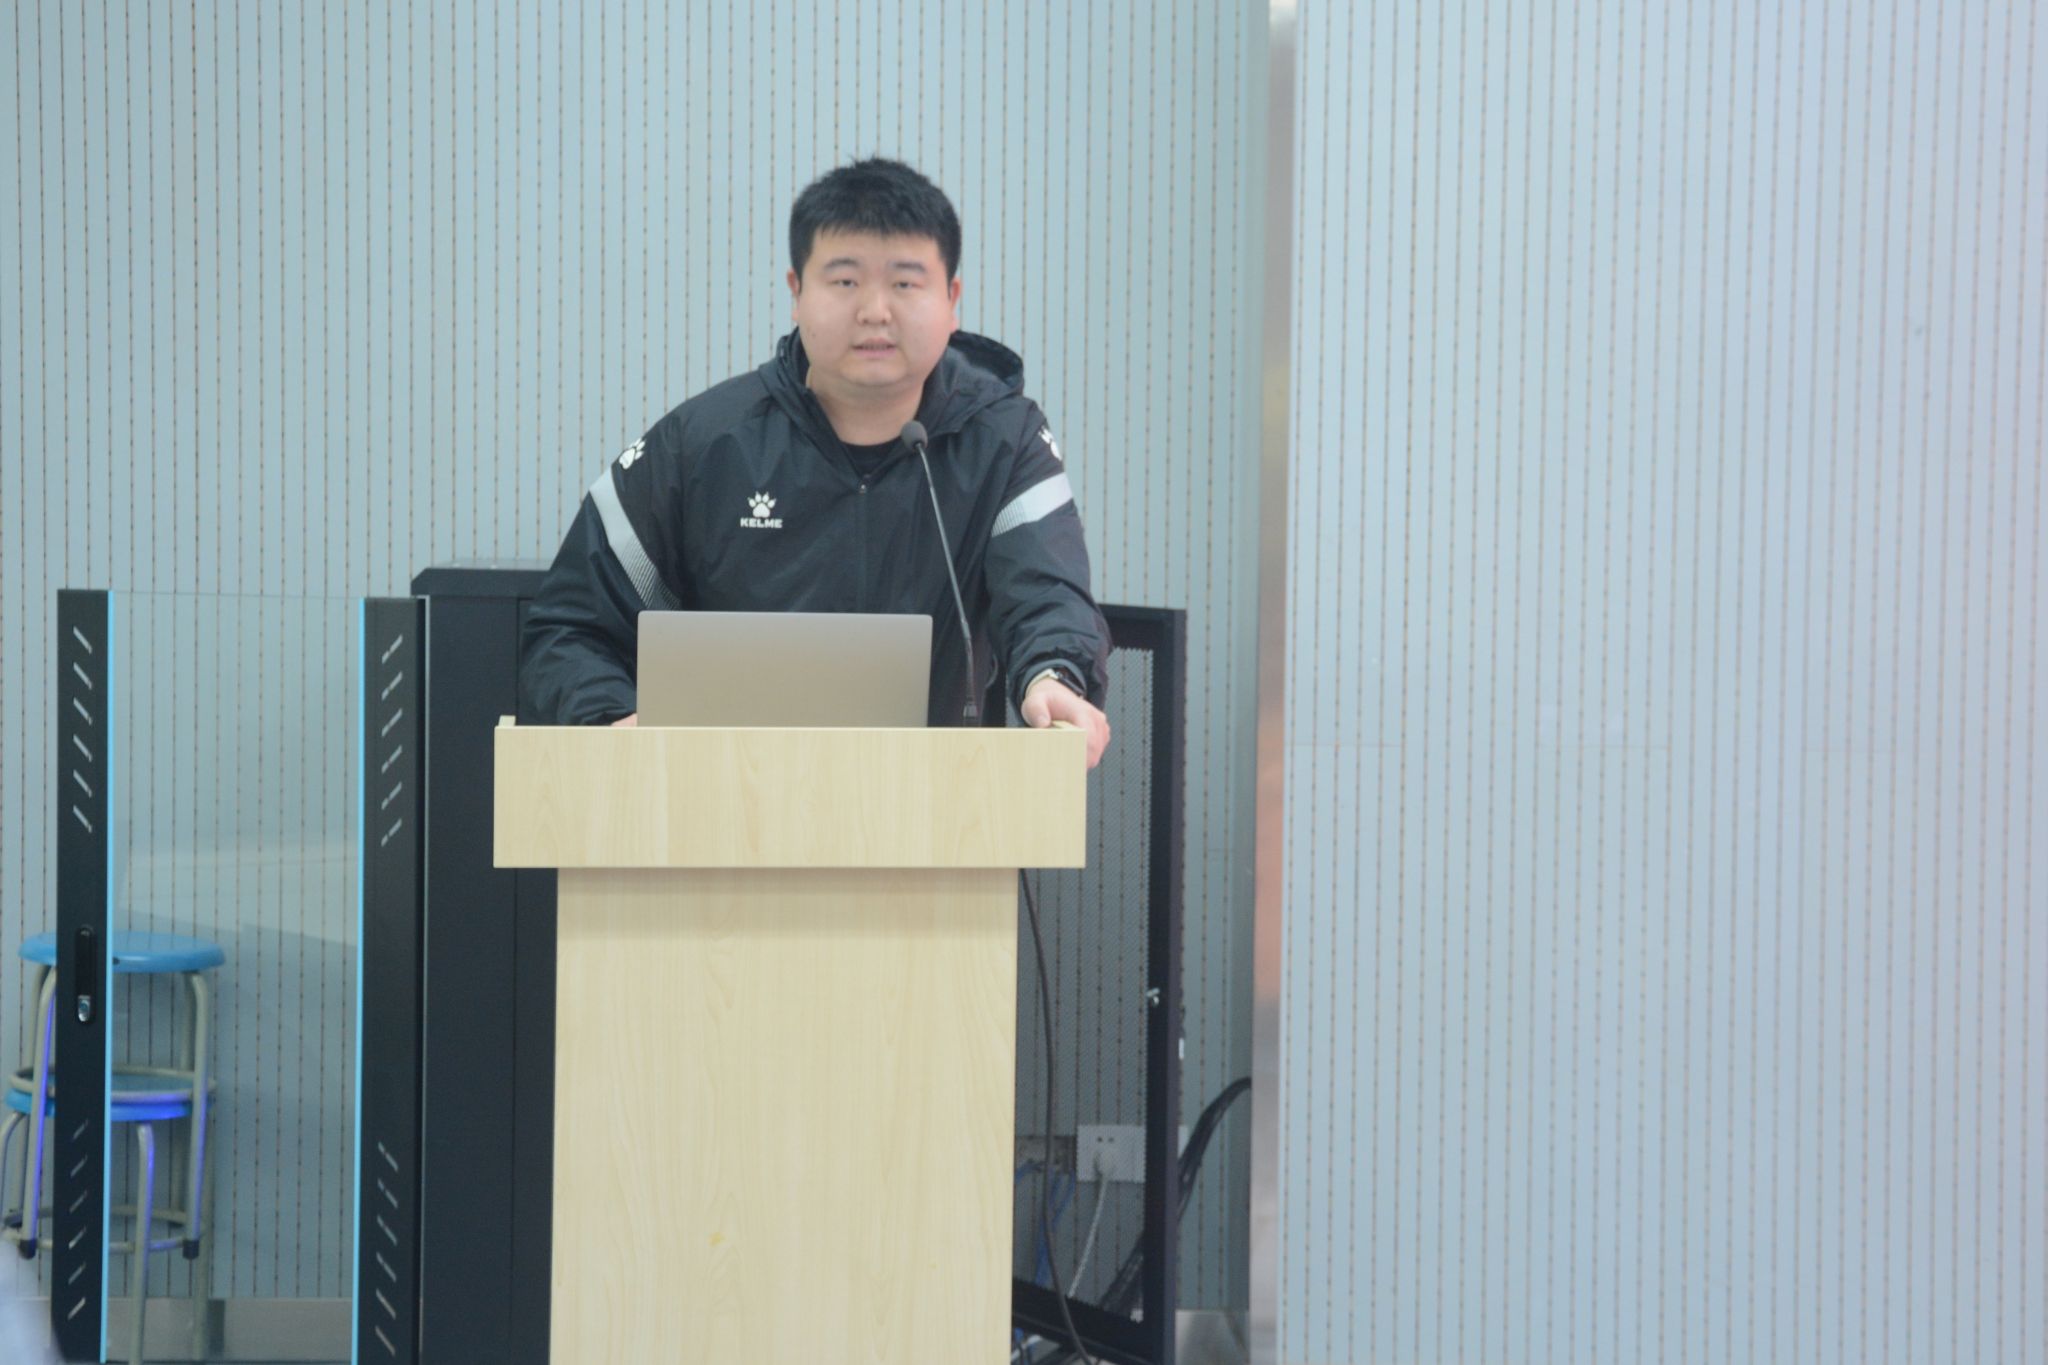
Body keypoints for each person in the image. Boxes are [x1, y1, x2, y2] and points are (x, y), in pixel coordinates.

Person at [521, 158, 1112, 766]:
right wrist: (615, 722)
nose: (875, 311)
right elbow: (572, 630)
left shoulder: (1002, 441)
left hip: (930, 805)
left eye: (905, 283)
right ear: (796, 293)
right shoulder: (704, 443)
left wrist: (1053, 676)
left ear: (951, 299)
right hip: (719, 802)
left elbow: (1046, 594)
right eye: (845, 281)